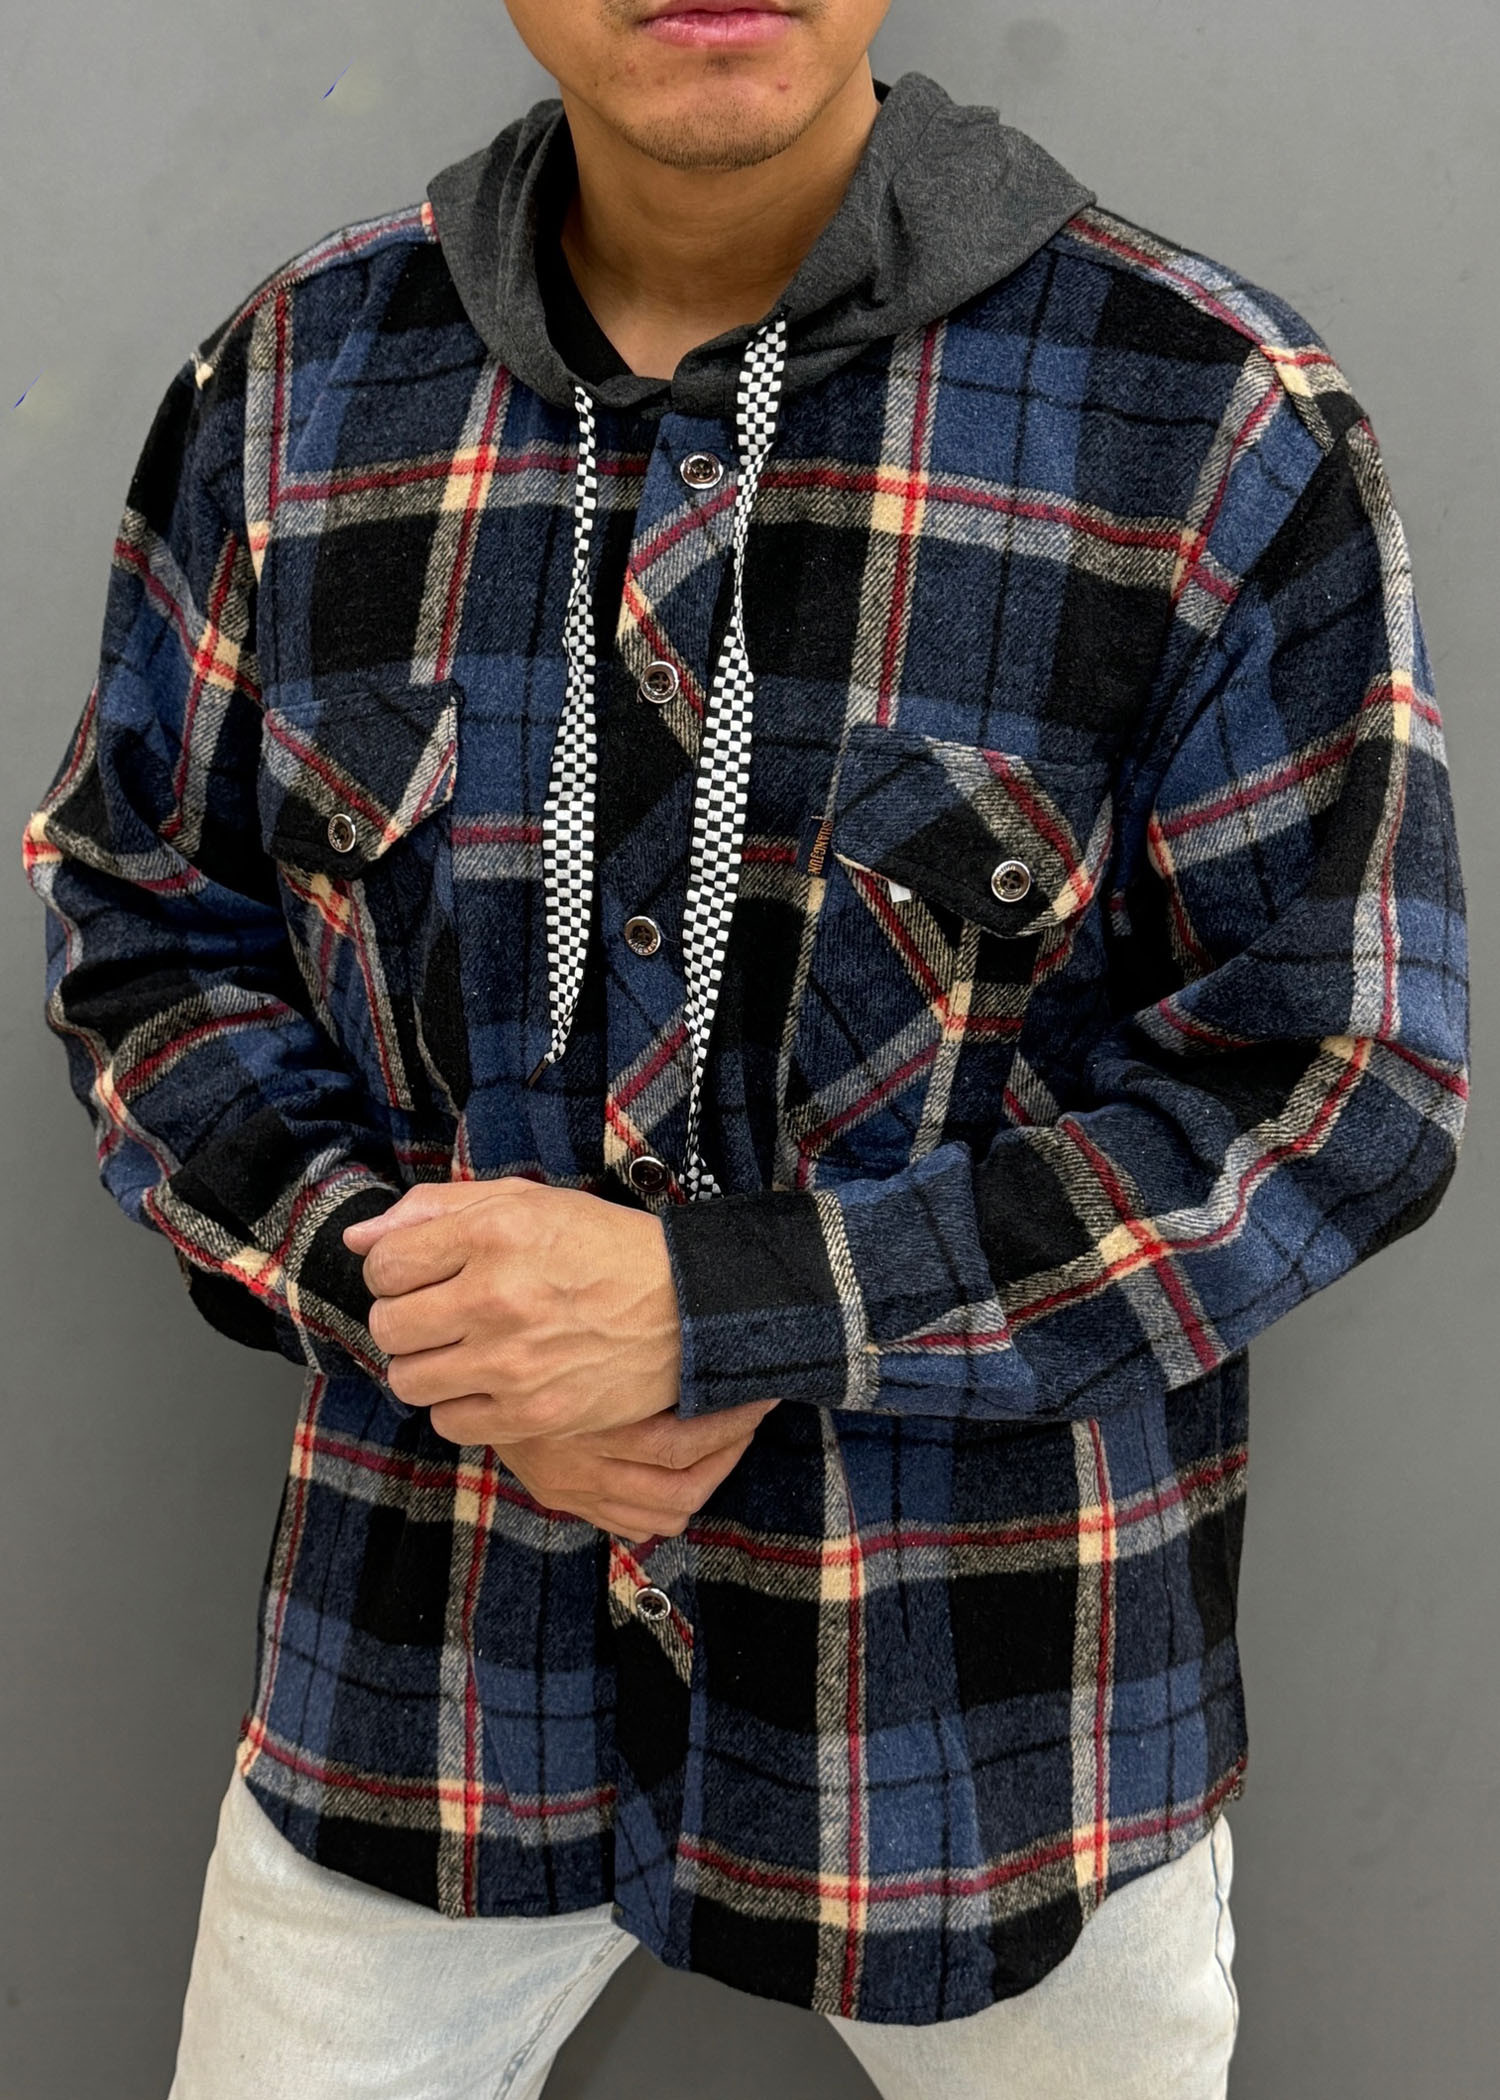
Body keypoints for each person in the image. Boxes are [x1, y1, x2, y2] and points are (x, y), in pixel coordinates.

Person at [23, 1, 1469, 2094]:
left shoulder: (1204, 418)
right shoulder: (293, 390)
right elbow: (144, 925)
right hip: (427, 1686)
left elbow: (1338, 1080)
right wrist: (418, 1304)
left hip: (993, 1743)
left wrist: (735, 1307)